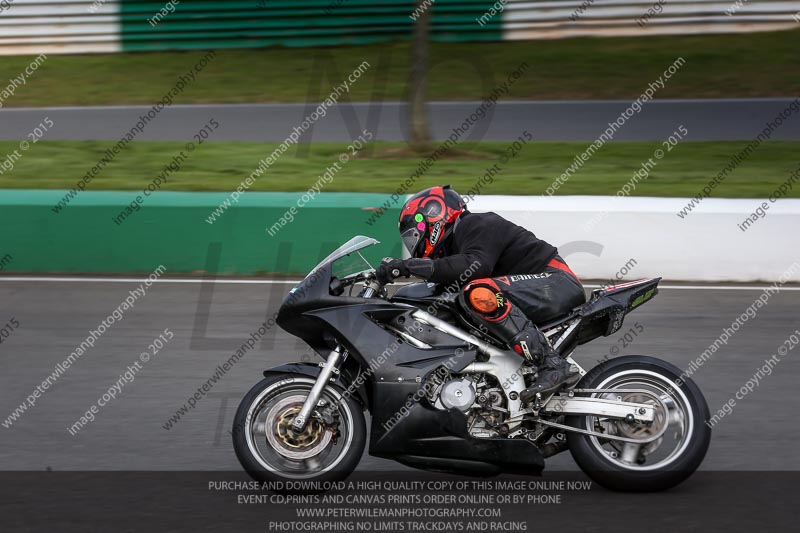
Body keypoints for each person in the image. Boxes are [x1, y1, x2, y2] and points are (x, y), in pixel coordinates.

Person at [376, 185, 586, 402]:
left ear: (434, 214)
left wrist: (409, 266)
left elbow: (476, 265)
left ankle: (552, 364)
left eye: (414, 234)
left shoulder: (476, 224)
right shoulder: (454, 249)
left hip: (555, 281)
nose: (414, 243)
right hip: (532, 291)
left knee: (477, 292)